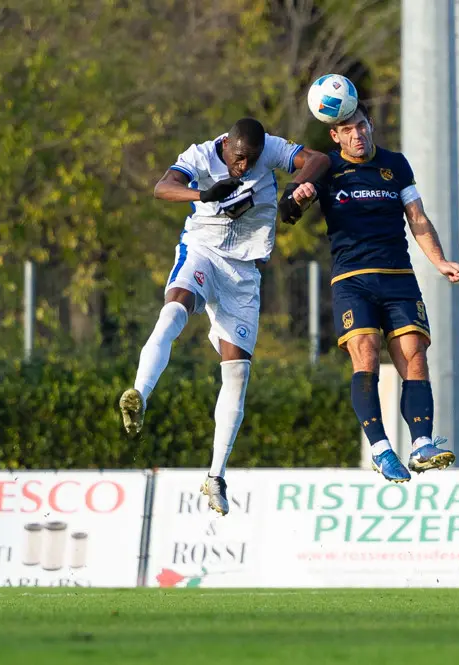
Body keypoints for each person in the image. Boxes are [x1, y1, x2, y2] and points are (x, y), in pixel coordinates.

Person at [118, 117, 329, 516]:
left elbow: (317, 159)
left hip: (245, 271)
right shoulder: (200, 154)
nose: (244, 167)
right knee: (174, 309)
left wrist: (299, 192)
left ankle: (215, 476)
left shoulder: (272, 149)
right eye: (238, 159)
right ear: (227, 146)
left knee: (237, 373)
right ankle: (139, 396)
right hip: (202, 251)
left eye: (251, 160)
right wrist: (203, 193)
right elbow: (163, 188)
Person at [280, 102, 459, 483]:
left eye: (361, 126)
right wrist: (296, 198)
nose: (357, 135)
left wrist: (440, 261)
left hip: (399, 278)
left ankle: (422, 444)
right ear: (335, 136)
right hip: (353, 281)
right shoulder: (328, 168)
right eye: (347, 130)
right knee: (364, 353)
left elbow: (417, 216)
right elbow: (290, 209)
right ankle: (381, 450)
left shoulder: (396, 164)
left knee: (415, 355)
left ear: (371, 125)